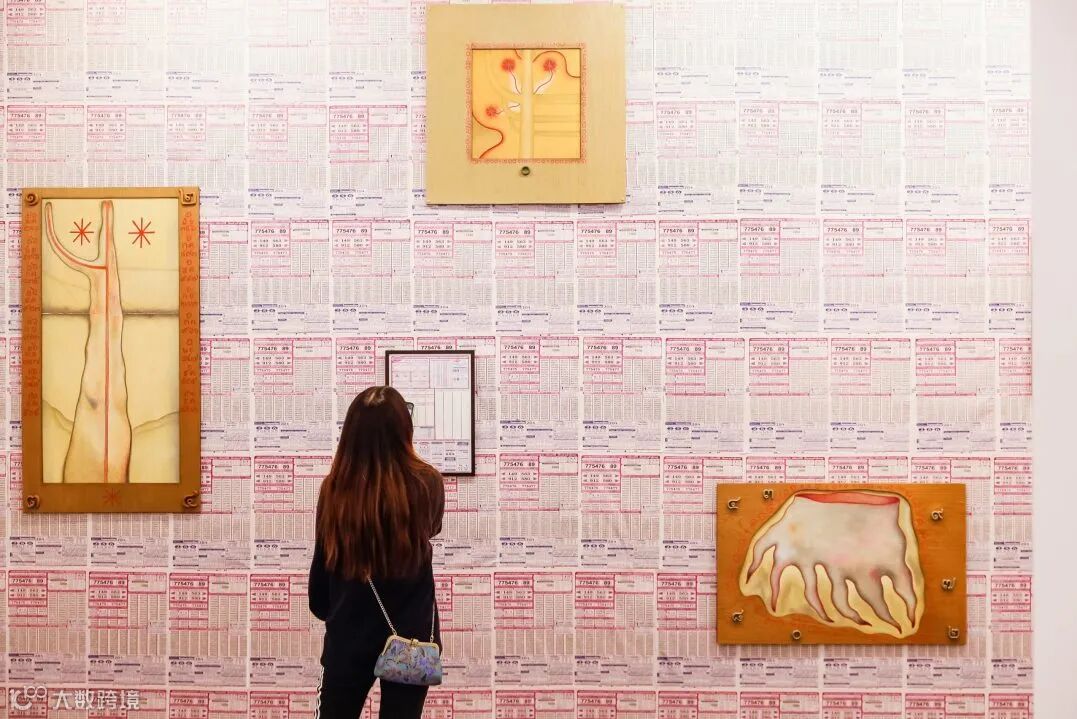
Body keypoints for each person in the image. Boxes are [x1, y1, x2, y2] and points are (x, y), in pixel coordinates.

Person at [308, 386, 445, 718]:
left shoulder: (334, 488)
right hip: (410, 639)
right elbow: (431, 530)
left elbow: (319, 590)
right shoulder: (427, 483)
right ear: (403, 429)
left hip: (348, 636)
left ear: (350, 432)